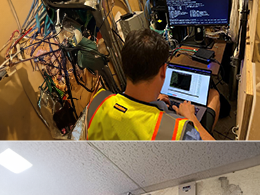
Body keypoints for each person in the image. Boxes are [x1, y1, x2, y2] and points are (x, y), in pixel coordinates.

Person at [86, 28, 220, 140]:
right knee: (213, 96)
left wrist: (156, 102)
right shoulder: (178, 131)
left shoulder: (97, 102)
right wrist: (192, 118)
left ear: (124, 66)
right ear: (163, 71)